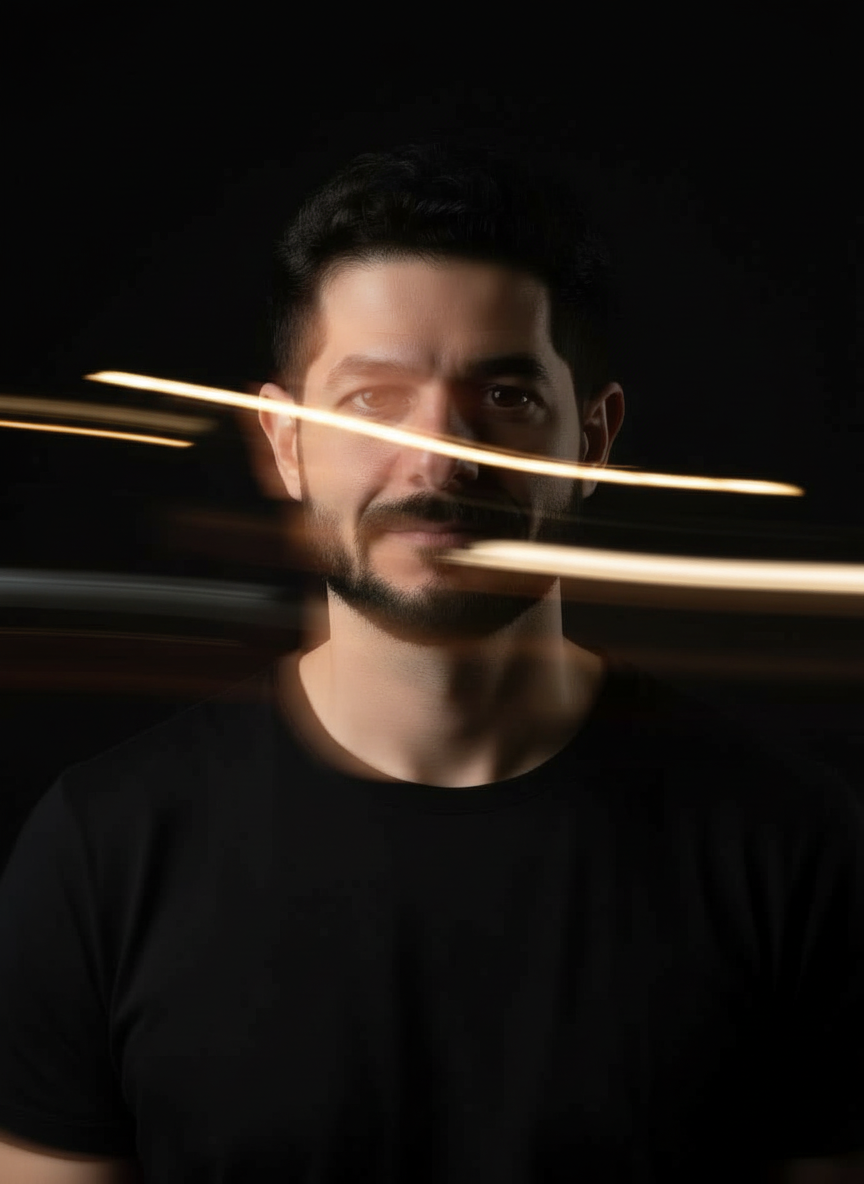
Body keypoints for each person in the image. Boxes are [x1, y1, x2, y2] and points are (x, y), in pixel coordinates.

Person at [0, 142, 862, 1184]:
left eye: (504, 396)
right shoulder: (102, 852)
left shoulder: (793, 851)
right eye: (370, 400)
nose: (441, 455)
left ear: (593, 437)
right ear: (283, 442)